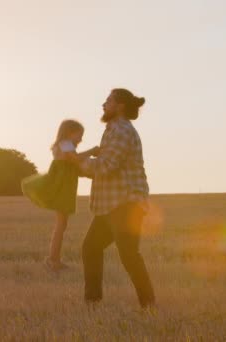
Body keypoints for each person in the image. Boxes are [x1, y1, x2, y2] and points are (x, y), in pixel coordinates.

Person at [80, 88, 155, 308]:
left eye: (108, 101)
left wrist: (75, 163)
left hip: (126, 203)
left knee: (128, 254)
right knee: (91, 247)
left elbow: (107, 166)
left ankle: (149, 303)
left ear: (120, 106)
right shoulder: (113, 130)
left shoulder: (121, 130)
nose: (103, 105)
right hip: (112, 204)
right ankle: (93, 301)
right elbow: (104, 164)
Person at [22, 119, 99, 271]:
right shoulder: (65, 144)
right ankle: (53, 260)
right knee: (60, 225)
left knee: (61, 225)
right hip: (61, 187)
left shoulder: (65, 145)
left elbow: (75, 167)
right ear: (69, 132)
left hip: (65, 187)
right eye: (79, 135)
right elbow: (75, 160)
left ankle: (53, 259)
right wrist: (92, 151)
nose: (81, 139)